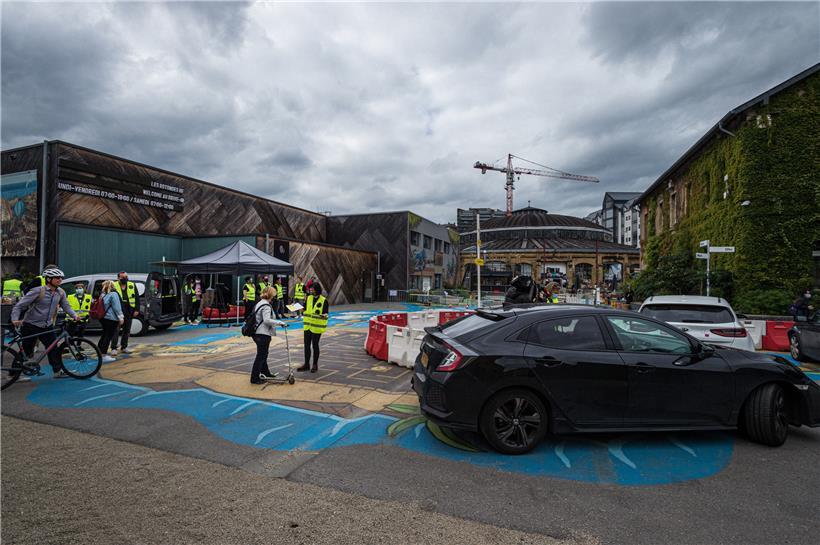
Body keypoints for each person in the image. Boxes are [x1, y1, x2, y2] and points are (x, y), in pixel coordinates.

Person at [10, 267, 81, 378]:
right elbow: (19, 306)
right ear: (48, 279)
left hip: (47, 325)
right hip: (31, 325)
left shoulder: (60, 292)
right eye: (57, 278)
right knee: (27, 350)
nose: (59, 280)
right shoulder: (38, 291)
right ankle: (14, 374)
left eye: (61, 278)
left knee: (53, 348)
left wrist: (75, 316)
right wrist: (15, 319)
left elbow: (66, 306)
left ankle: (57, 371)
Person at [250, 286, 285, 384]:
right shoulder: (266, 305)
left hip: (257, 333)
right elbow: (266, 320)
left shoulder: (260, 303)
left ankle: (265, 372)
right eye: (273, 294)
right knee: (261, 356)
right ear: (270, 295)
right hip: (263, 334)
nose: (274, 296)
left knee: (263, 354)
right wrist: (279, 322)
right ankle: (254, 378)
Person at [298, 283, 328, 373]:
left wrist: (324, 315)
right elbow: (306, 309)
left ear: (317, 290)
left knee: (315, 345)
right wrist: (301, 309)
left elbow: (326, 313)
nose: (311, 291)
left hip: (316, 327)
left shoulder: (324, 300)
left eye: (312, 289)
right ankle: (306, 364)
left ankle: (315, 364)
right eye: (310, 289)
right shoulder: (309, 298)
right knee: (306, 346)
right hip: (307, 326)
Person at [111, 271, 140, 355]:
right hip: (118, 311)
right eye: (122, 277)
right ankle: (114, 348)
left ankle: (124, 347)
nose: (125, 279)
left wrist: (137, 309)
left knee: (127, 330)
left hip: (129, 310)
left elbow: (137, 297)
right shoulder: (114, 285)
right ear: (118, 278)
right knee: (116, 330)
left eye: (126, 277)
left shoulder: (131, 285)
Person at [97, 280, 124, 363]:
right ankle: (104, 355)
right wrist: (121, 317)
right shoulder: (114, 294)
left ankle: (99, 352)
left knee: (104, 335)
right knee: (108, 336)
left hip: (103, 318)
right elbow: (117, 307)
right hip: (111, 318)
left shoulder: (103, 294)